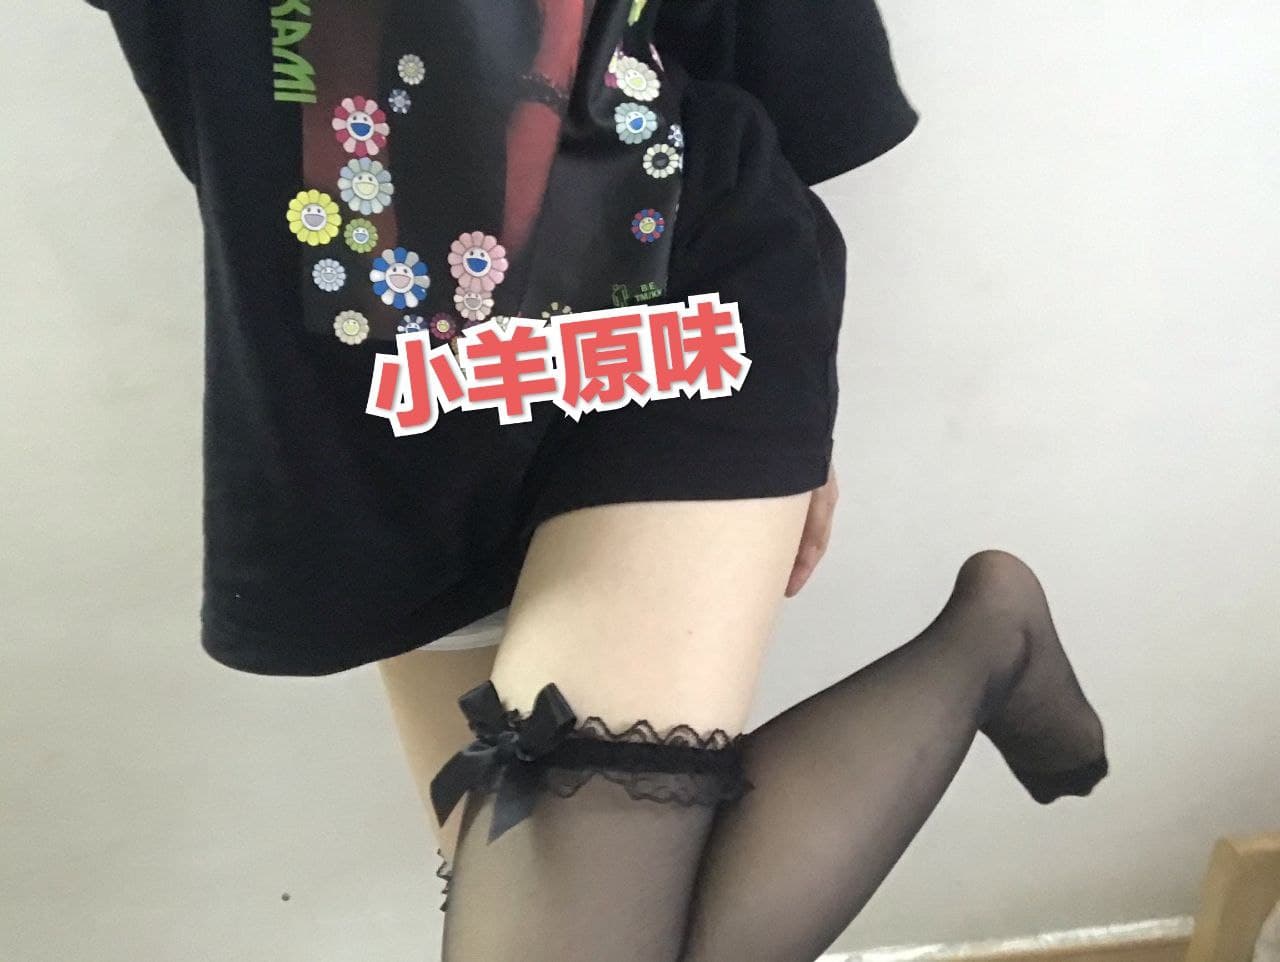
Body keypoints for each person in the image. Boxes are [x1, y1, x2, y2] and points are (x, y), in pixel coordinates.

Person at [83, 1, 1109, 958]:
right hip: (379, 383)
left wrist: (800, 399)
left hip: (664, 291)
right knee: (550, 907)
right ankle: (989, 641)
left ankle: (986, 647)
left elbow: (780, 52)